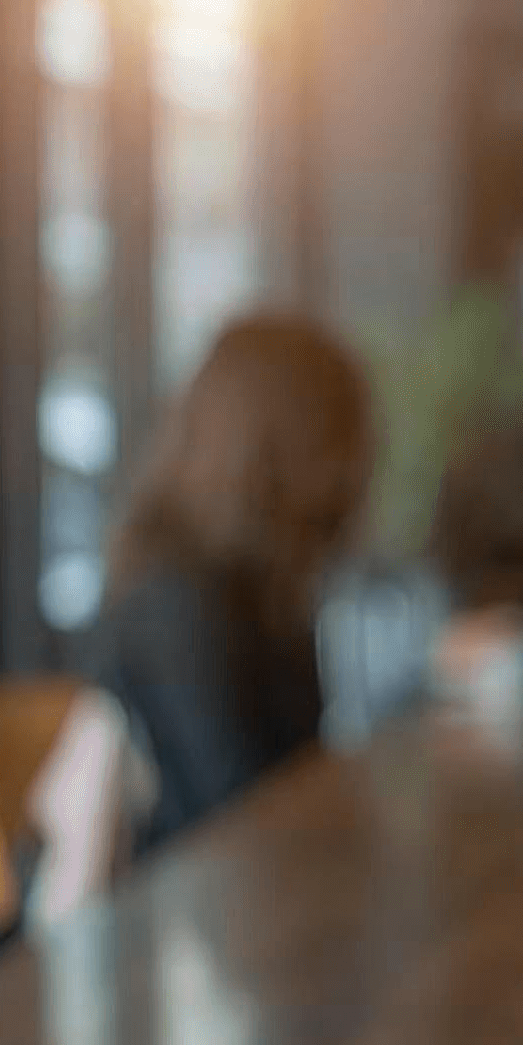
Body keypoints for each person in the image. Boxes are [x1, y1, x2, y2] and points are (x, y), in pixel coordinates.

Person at [85, 314, 376, 854]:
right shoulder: (173, 600)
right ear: (281, 449)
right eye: (336, 444)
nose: (351, 472)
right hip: (196, 912)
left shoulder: (261, 587)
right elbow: (240, 810)